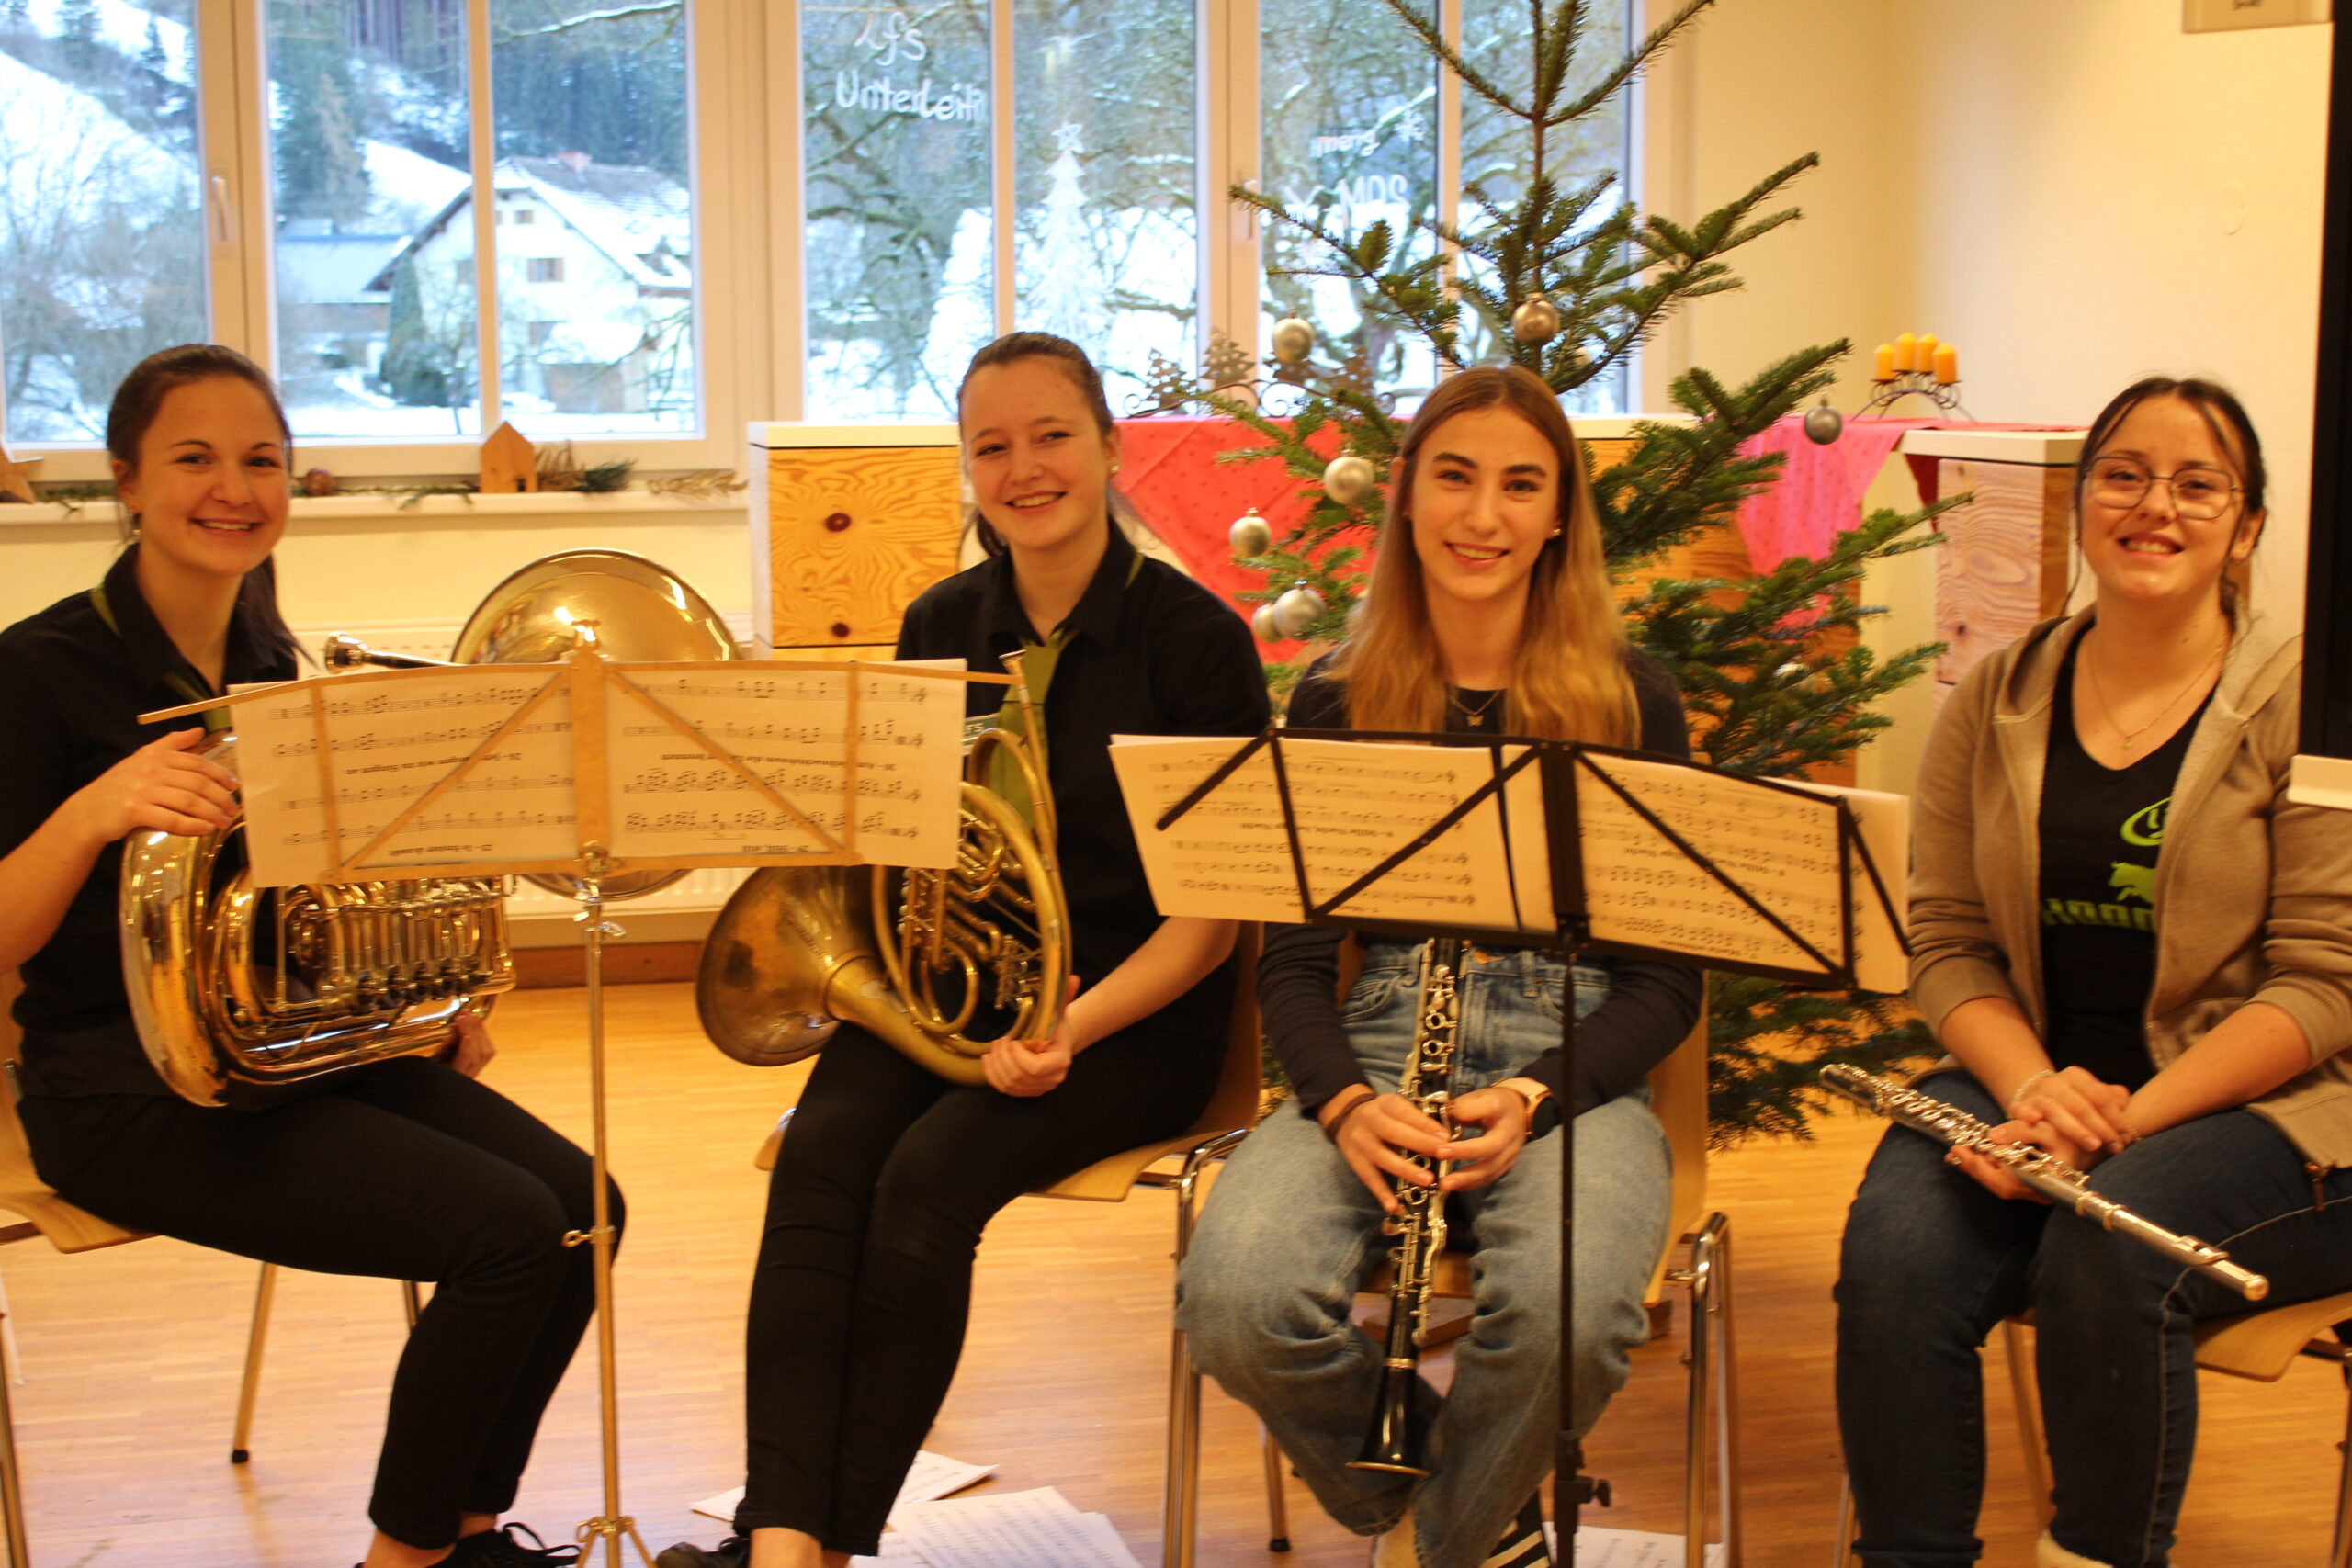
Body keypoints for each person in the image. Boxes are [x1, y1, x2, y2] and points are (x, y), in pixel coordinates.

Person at [657, 332, 1272, 1568]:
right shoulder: (941, 622)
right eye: (992, 447)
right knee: (821, 1158)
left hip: (1136, 1020)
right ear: (967, 471)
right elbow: (910, 849)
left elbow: (1213, 923)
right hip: (955, 990)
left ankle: (826, 1544)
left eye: (1052, 436)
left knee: (929, 1182)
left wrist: (1066, 1029)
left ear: (1109, 448)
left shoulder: (1196, 642)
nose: (1024, 468)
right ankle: (781, 1540)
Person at [0, 344, 611, 1568]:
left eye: (262, 461)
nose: (234, 489)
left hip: (282, 1056)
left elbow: (299, 907)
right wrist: (91, 812)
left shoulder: (269, 666)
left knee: (587, 1211)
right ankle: (405, 1557)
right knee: (506, 1233)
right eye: (195, 459)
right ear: (125, 481)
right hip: (119, 1092)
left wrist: (412, 1006)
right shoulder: (33, 670)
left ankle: (466, 1531)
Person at [1175, 364, 1702, 1568]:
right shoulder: (1337, 695)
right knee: (1237, 1302)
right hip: (1374, 1044)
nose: (1483, 516)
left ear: (1559, 515)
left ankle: (1439, 1543)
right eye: (1455, 478)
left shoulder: (1631, 700)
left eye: (1521, 486)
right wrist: (1342, 1102)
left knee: (1574, 1315)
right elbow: (1293, 963)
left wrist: (1537, 1092)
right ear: (1406, 497)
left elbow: (1668, 983)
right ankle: (1462, 1506)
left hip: (1570, 1062)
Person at [1834, 377, 2352, 1568]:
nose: (2154, 506)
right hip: (2035, 1081)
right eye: (2123, 475)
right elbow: (1946, 938)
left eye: (2198, 484)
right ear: (2082, 506)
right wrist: (2031, 1094)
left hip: (2275, 1109)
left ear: (2247, 526)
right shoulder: (1999, 693)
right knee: (1897, 1264)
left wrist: (2107, 1128)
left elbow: (2326, 984)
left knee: (2110, 1251)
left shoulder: (2311, 706)